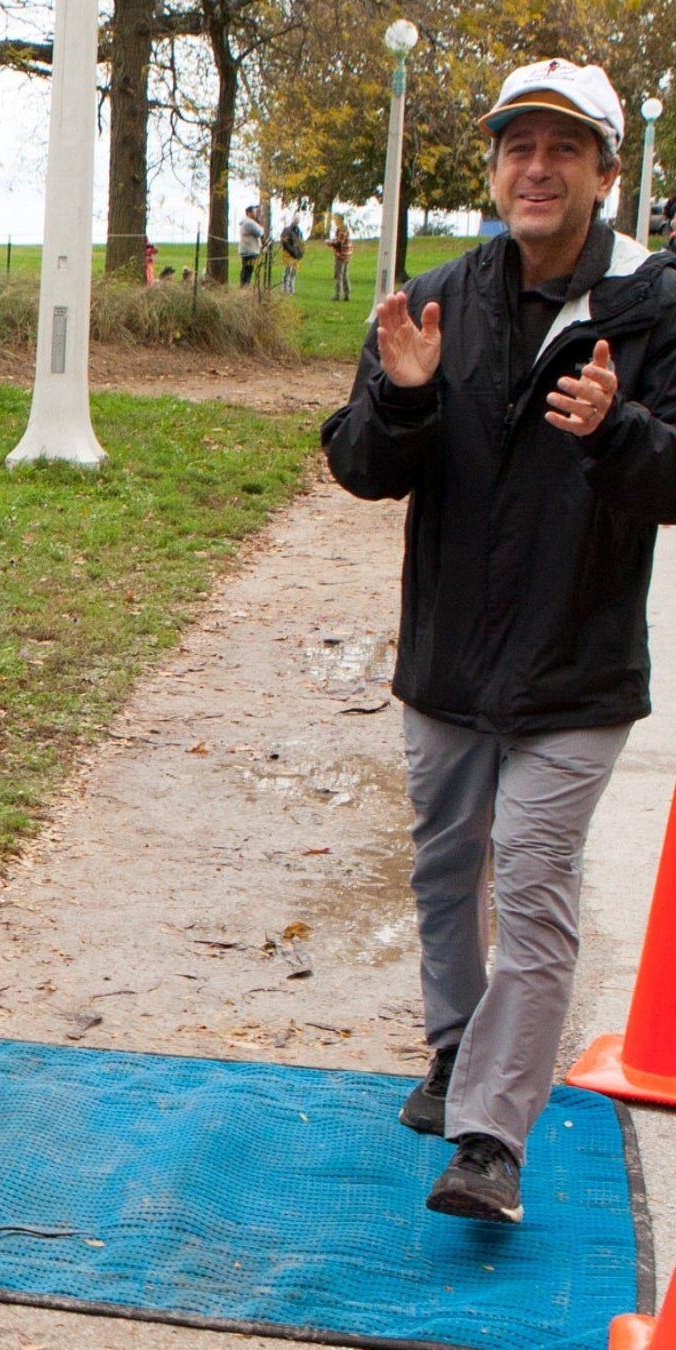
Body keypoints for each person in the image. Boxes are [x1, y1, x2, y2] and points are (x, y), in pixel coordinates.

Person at [322, 58, 676, 1225]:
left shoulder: (656, 307)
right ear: (493, 168)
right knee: (444, 873)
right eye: (518, 147)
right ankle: (454, 1049)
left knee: (530, 887)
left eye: (563, 149)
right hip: (450, 664)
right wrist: (407, 398)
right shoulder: (440, 298)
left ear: (605, 172)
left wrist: (619, 432)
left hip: (577, 674)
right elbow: (362, 465)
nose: (537, 168)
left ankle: (489, 1140)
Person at [238, 204, 267, 286]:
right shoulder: (248, 222)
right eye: (253, 212)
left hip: (248, 249)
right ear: (248, 213)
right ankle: (244, 286)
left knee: (247, 269)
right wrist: (261, 229)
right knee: (247, 270)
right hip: (249, 250)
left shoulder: (249, 222)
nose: (255, 214)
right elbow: (260, 232)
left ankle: (245, 285)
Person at [280, 215, 306, 295]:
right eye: (295, 219)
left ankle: (291, 289)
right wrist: (292, 251)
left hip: (296, 255)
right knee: (287, 271)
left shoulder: (299, 231)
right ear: (292, 220)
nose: (296, 221)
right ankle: (285, 289)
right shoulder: (287, 230)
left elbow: (301, 243)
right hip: (288, 254)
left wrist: (300, 253)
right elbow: (285, 242)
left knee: (293, 273)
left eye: (298, 220)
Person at [330, 217, 355, 301]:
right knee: (344, 275)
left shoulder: (342, 229)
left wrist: (329, 243)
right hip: (346, 256)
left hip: (342, 256)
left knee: (339, 275)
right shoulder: (343, 229)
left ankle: (337, 295)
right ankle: (346, 295)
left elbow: (338, 243)